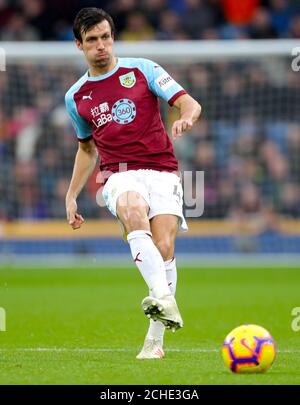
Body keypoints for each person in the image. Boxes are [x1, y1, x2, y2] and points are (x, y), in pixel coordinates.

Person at [65, 7, 201, 359]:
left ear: (113, 37)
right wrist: (71, 196)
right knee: (131, 208)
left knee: (165, 247)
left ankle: (155, 340)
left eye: (106, 37)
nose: (101, 46)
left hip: (163, 171)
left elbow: (190, 103)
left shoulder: (143, 69)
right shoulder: (76, 96)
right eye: (92, 40)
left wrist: (185, 118)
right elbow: (86, 149)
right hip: (118, 173)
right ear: (79, 45)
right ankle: (165, 299)